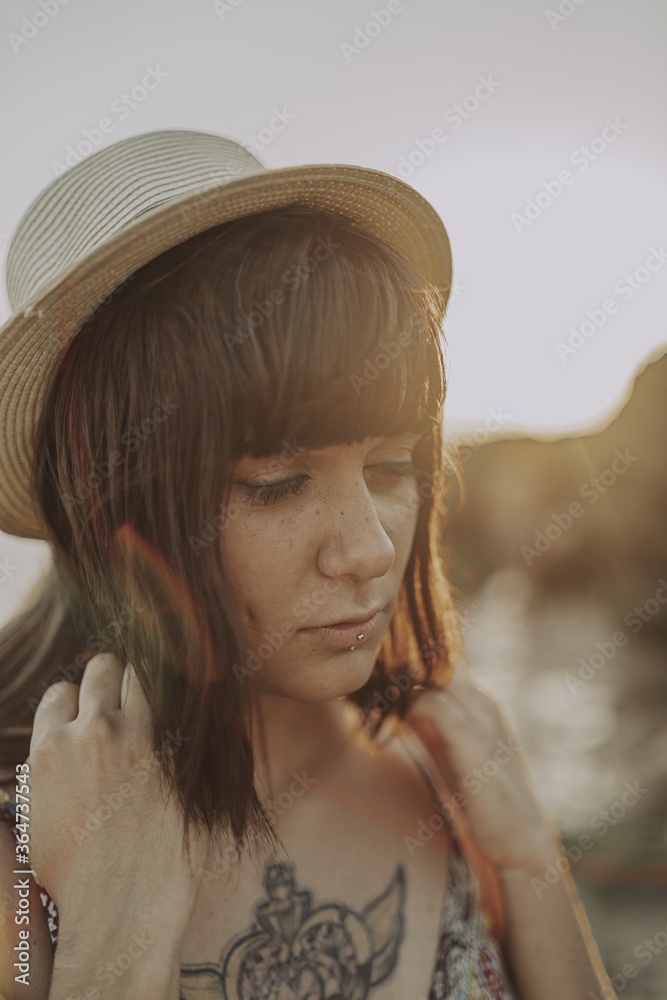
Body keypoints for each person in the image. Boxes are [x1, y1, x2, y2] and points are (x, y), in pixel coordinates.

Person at [0, 128, 617, 1000]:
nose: (368, 548)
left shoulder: (445, 764)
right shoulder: (26, 846)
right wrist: (111, 935)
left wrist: (527, 860)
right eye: (278, 484)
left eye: (391, 468)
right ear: (113, 515)